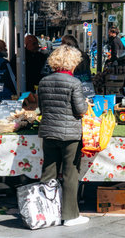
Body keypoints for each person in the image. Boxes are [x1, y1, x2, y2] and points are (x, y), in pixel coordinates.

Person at [38, 45, 89, 227]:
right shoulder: (74, 83)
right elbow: (80, 110)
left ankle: (45, 213)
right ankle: (70, 216)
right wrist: (86, 103)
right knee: (70, 174)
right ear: (72, 63)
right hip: (69, 135)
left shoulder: (44, 81)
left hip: (49, 132)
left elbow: (42, 109)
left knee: (48, 172)